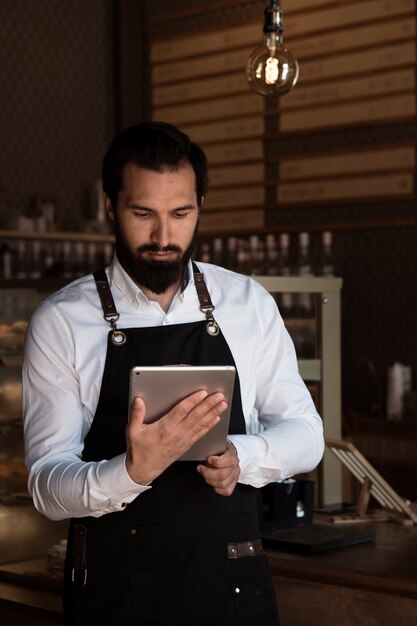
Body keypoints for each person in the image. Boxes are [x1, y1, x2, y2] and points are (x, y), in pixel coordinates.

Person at [22, 122, 324, 626]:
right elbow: (46, 486)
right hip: (115, 596)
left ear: (200, 205)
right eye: (144, 214)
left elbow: (307, 435)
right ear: (111, 206)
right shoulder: (62, 321)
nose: (164, 237)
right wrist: (131, 471)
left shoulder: (247, 303)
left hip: (233, 592)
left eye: (181, 214)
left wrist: (240, 457)